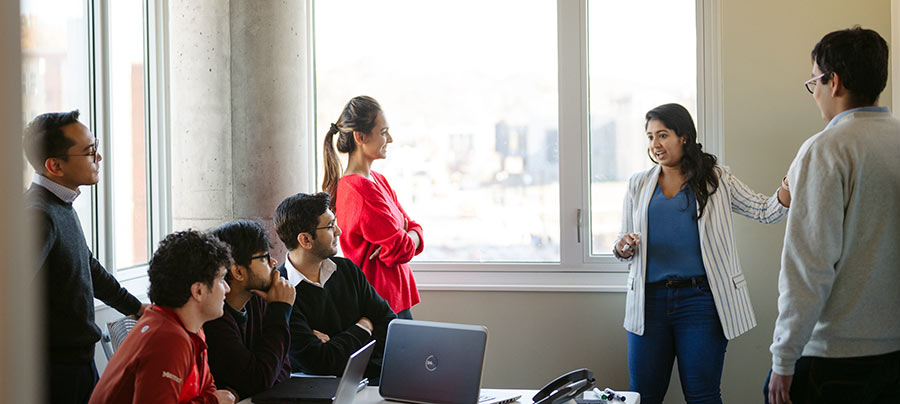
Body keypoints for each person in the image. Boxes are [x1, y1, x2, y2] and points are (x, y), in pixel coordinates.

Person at [613, 103, 790, 404]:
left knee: (702, 395)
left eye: (663, 135)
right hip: (649, 302)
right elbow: (623, 243)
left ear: (684, 137)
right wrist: (622, 246)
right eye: (650, 137)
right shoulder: (637, 184)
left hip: (701, 303)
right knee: (642, 395)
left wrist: (791, 183)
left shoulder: (716, 179)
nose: (655, 144)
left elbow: (765, 210)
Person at [766, 27, 900, 404]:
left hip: (835, 359)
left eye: (814, 82)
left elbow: (808, 265)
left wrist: (783, 357)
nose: (816, 95)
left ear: (834, 81)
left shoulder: (825, 149)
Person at [22, 110, 149, 404]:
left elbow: (88, 268)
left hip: (78, 364)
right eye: (90, 151)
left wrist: (137, 308)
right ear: (54, 165)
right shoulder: (38, 216)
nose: (99, 158)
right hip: (55, 373)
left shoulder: (60, 205)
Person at [89, 230, 235, 404]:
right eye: (221, 280)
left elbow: (206, 384)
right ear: (198, 291)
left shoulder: (187, 326)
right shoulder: (169, 339)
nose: (227, 289)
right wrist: (213, 401)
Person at [274, 192, 396, 382]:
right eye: (330, 226)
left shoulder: (347, 270)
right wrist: (363, 327)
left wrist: (335, 345)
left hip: (372, 380)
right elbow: (320, 363)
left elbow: (389, 323)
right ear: (305, 240)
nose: (338, 231)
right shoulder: (281, 291)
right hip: (319, 392)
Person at [321, 95, 424, 319]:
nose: (391, 139)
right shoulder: (361, 191)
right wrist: (406, 235)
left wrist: (409, 234)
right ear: (360, 137)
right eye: (383, 132)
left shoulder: (378, 181)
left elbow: (411, 230)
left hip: (393, 300)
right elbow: (402, 248)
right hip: (380, 305)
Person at [204, 220, 296, 400]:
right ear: (238, 272)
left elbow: (283, 367)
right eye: (264, 258)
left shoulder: (256, 301)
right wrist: (280, 310)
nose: (274, 263)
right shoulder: (214, 319)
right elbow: (260, 379)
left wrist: (242, 391)